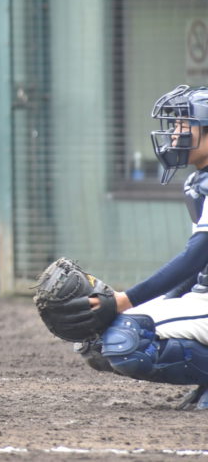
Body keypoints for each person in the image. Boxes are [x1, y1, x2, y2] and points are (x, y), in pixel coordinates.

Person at [73, 85, 208, 410]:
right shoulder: (200, 182)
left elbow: (195, 256)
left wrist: (127, 300)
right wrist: (162, 300)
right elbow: (200, 268)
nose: (174, 134)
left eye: (182, 126)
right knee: (97, 338)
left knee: (125, 341)